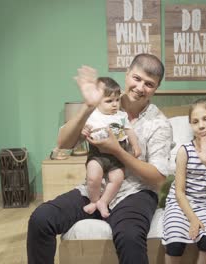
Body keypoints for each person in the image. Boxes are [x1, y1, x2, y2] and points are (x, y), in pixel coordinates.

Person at [27, 53, 173, 264]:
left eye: (149, 84)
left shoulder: (159, 123)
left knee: (130, 238)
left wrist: (118, 151)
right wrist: (87, 107)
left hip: (136, 193)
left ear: (156, 88)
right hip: (94, 189)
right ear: (127, 74)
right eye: (137, 78)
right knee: (41, 219)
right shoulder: (101, 104)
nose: (140, 88)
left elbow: (159, 178)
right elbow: (64, 144)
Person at [162, 99, 206, 264]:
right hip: (179, 204)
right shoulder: (184, 151)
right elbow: (179, 192)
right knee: (175, 245)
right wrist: (192, 219)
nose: (201, 125)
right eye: (195, 122)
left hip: (205, 205)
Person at [81, 76, 141, 218]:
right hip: (98, 154)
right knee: (93, 177)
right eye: (109, 101)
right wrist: (84, 131)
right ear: (97, 102)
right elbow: (85, 129)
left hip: (118, 155)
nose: (114, 104)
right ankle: (94, 201)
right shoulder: (93, 115)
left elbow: (129, 130)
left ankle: (104, 201)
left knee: (117, 179)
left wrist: (135, 145)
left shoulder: (121, 115)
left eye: (117, 100)